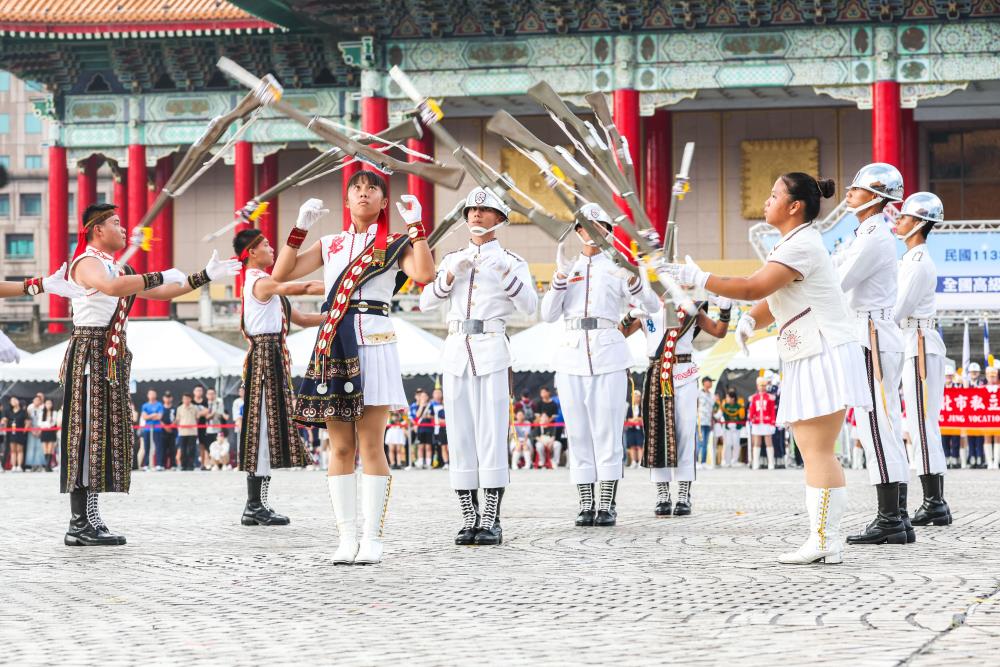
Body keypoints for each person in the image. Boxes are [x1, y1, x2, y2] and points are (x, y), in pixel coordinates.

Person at [666, 173, 867, 564]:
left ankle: (825, 539)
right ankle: (824, 538)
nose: (767, 200)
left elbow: (753, 286)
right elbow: (772, 296)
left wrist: (700, 278)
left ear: (795, 206)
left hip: (822, 350)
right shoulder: (792, 243)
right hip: (809, 350)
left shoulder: (803, 244)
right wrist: (748, 320)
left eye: (775, 195)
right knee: (814, 449)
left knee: (818, 450)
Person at [270, 170, 435, 564]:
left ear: (382, 202)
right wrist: (298, 229)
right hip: (333, 341)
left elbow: (425, 275)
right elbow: (280, 274)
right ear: (347, 202)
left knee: (371, 443)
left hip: (375, 341)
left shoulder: (395, 244)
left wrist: (417, 228)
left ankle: (373, 537)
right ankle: (346, 537)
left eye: (372, 189)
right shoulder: (331, 243)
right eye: (356, 189)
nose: (363, 194)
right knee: (340, 446)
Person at [60, 202, 240, 546]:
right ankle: (78, 521)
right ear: (98, 229)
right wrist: (158, 274)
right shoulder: (86, 263)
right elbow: (112, 288)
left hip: (107, 357)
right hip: (89, 356)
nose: (123, 228)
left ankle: (91, 518)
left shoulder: (118, 266)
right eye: (116, 222)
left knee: (103, 439)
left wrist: (204, 275)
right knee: (86, 438)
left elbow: (161, 292)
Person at [418, 186, 538, 545]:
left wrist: (505, 274)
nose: (475, 215)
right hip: (456, 350)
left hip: (491, 349)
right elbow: (425, 301)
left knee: (491, 435)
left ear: (499, 218)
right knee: (461, 434)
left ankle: (490, 516)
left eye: (484, 212)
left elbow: (530, 306)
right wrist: (450, 275)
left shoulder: (513, 261)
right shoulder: (452, 257)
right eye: (470, 210)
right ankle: (469, 516)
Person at [540, 203, 658, 527]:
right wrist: (558, 281)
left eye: (600, 226)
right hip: (571, 352)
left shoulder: (618, 266)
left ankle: (606, 502)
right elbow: (548, 315)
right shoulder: (568, 266)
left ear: (608, 230)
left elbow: (652, 305)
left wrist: (633, 282)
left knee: (607, 430)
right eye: (587, 226)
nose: (593, 232)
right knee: (577, 432)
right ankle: (585, 502)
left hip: (608, 349)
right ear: (578, 231)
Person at [832, 163, 914, 546]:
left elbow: (840, 281)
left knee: (875, 427)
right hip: (876, 333)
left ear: (877, 197)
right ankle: (897, 516)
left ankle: (890, 519)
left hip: (871, 336)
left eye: (856, 188)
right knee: (886, 426)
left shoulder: (873, 236)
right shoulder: (869, 233)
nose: (849, 192)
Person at [233, 228, 325, 525]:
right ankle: (254, 504)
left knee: (266, 429)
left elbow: (303, 319)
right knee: (261, 428)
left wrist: (339, 313)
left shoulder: (268, 286)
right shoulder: (260, 282)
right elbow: (303, 289)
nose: (271, 250)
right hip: (264, 356)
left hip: (273, 355)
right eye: (266, 246)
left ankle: (258, 503)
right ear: (252, 253)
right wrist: (344, 287)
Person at [622, 291, 727, 517]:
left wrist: (725, 311)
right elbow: (618, 335)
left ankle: (683, 494)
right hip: (657, 372)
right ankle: (662, 494)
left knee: (685, 432)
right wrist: (630, 315)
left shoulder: (689, 308)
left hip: (683, 372)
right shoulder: (645, 306)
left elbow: (718, 331)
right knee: (656, 432)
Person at [893, 192, 953, 526]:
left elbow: (899, 311)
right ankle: (935, 501)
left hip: (918, 344)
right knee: (918, 423)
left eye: (903, 217)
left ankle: (935, 502)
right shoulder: (910, 260)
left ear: (917, 223)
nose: (898, 222)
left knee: (921, 424)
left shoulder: (917, 263)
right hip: (913, 342)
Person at [748, 376, 778, 470]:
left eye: (764, 385)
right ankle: (755, 463)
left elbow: (772, 411)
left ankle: (771, 463)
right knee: (757, 443)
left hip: (767, 422)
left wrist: (773, 422)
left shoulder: (770, 398)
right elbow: (752, 410)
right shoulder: (754, 398)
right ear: (757, 386)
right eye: (760, 385)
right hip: (757, 422)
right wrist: (751, 419)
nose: (762, 387)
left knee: (769, 442)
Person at [718, 390, 745, 467]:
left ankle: (735, 460)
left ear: (732, 398)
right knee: (728, 444)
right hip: (727, 428)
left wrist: (736, 424)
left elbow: (741, 417)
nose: (726, 399)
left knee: (736, 444)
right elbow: (722, 415)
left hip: (736, 428)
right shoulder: (725, 406)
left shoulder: (739, 406)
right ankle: (727, 461)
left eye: (727, 397)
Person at [409, 390, 435, 469]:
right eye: (421, 396)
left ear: (427, 397)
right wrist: (421, 406)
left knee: (428, 447)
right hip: (420, 429)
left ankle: (428, 463)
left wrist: (429, 416)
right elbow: (417, 415)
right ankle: (420, 463)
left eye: (424, 396)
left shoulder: (430, 405)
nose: (423, 398)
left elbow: (433, 416)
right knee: (420, 446)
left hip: (429, 429)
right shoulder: (417, 406)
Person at [140, 389, 164, 470]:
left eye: (153, 394)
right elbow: (144, 417)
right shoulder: (145, 405)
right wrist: (153, 415)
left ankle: (159, 464)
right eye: (150, 394)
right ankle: (146, 464)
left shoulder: (159, 405)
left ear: (156, 395)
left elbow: (159, 417)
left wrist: (149, 416)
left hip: (157, 428)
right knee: (147, 447)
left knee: (158, 447)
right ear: (148, 395)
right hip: (147, 428)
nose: (152, 395)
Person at [176, 393, 200, 471]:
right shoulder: (179, 408)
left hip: (192, 432)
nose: (186, 400)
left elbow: (197, 418)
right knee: (182, 449)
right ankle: (183, 465)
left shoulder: (195, 408)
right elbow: (178, 420)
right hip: (182, 432)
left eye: (187, 398)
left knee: (192, 449)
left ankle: (191, 464)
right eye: (184, 399)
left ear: (190, 399)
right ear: (182, 400)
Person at [696, 377, 716, 467]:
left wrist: (712, 421)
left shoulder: (712, 395)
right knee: (699, 442)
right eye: (710, 381)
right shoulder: (698, 393)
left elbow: (711, 409)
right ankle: (696, 461)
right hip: (700, 421)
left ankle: (703, 462)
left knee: (706, 443)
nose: (711, 383)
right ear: (704, 382)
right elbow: (695, 405)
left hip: (708, 421)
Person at [191, 385, 210, 470]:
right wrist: (199, 413)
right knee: (191, 445)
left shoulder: (205, 401)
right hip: (192, 426)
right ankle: (191, 463)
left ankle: (203, 464)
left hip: (202, 426)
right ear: (194, 392)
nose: (198, 392)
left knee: (202, 445)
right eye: (197, 390)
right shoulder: (191, 401)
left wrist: (198, 414)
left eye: (200, 390)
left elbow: (207, 411)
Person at [7, 397, 28, 472]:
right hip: (12, 433)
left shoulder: (23, 411)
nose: (13, 402)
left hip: (20, 433)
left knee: (20, 450)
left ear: (18, 401)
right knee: (13, 450)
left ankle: (19, 466)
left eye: (15, 400)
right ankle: (13, 466)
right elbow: (6, 420)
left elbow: (27, 422)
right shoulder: (9, 412)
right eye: (12, 401)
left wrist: (24, 431)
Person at [624, 389, 644, 469]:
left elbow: (644, 417)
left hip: (640, 429)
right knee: (632, 446)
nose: (636, 398)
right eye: (634, 397)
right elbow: (628, 418)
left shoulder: (642, 406)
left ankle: (640, 461)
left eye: (637, 397)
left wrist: (638, 419)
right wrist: (633, 420)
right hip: (631, 428)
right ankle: (633, 461)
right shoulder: (630, 407)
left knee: (640, 446)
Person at [25, 394, 45, 471]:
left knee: (39, 447)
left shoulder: (42, 408)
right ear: (33, 401)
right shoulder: (30, 408)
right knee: (31, 447)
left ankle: (39, 464)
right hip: (32, 430)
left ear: (40, 401)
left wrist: (40, 430)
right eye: (35, 400)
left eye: (38, 400)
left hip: (40, 429)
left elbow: (43, 420)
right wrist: (32, 430)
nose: (36, 401)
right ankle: (31, 464)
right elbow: (28, 420)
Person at [431, 387, 449, 470]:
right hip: (442, 430)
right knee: (443, 447)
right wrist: (448, 422)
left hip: (450, 431)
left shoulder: (452, 410)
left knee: (450, 447)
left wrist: (446, 422)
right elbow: (440, 421)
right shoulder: (440, 411)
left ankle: (451, 462)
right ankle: (446, 463)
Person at [39, 398, 59, 472]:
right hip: (44, 432)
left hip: (51, 432)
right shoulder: (41, 413)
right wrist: (47, 424)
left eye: (50, 403)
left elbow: (53, 423)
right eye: (47, 403)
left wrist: (47, 424)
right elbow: (39, 423)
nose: (48, 405)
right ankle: (47, 466)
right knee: (45, 449)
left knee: (50, 449)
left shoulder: (54, 412)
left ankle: (48, 466)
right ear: (44, 404)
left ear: (52, 404)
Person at [161, 392, 177, 471]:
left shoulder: (174, 408)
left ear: (171, 398)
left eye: (169, 397)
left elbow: (177, 418)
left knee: (172, 449)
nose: (168, 399)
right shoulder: (161, 408)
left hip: (172, 431)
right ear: (163, 398)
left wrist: (171, 426)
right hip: (162, 431)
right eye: (166, 397)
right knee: (163, 448)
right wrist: (165, 426)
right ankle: (162, 465)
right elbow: (159, 419)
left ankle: (173, 464)